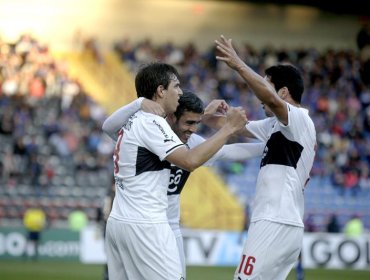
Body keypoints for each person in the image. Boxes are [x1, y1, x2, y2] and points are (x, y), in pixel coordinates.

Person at [103, 62, 247, 280]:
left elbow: (109, 127)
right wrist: (229, 128)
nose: (180, 92)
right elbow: (189, 160)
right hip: (146, 225)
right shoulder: (152, 123)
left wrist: (203, 115)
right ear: (161, 91)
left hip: (119, 222)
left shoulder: (134, 119)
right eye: (176, 86)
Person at [215, 35, 317, 280]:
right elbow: (238, 127)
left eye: (266, 84)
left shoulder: (300, 119)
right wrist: (209, 114)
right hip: (281, 222)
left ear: (283, 91)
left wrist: (239, 64)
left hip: (275, 219)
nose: (261, 100)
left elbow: (270, 99)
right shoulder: (275, 126)